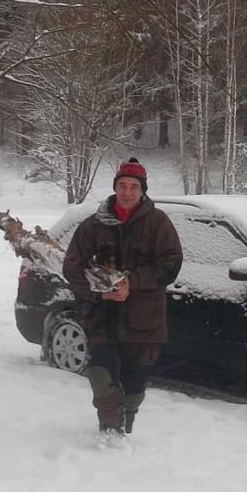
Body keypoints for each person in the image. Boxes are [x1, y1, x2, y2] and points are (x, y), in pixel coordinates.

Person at [63, 157, 182, 440]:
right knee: (100, 375)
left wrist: (132, 282)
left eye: (133, 187)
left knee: (135, 382)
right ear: (115, 187)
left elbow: (171, 263)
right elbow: (71, 266)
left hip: (144, 318)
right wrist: (98, 290)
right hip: (102, 315)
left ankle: (125, 426)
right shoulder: (94, 224)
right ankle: (110, 431)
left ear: (143, 190)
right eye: (122, 186)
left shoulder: (158, 223)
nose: (127, 192)